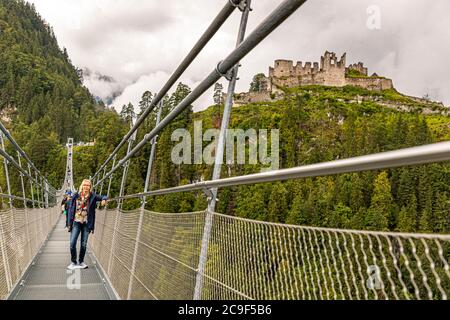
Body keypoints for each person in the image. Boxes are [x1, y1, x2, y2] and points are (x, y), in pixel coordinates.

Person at [67, 179, 107, 270]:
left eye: (88, 185)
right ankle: (73, 262)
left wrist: (104, 199)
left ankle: (81, 262)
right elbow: (70, 209)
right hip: (76, 222)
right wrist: (69, 223)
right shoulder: (76, 195)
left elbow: (104, 196)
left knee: (83, 244)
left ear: (90, 187)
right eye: (85, 185)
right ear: (82, 186)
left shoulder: (92, 196)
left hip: (86, 223)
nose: (86, 187)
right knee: (72, 243)